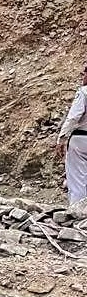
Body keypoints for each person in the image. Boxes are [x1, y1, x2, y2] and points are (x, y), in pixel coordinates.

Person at [58, 66, 87, 204]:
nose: (83, 76)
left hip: (81, 139)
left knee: (77, 179)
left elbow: (73, 118)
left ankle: (78, 214)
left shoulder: (84, 92)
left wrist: (61, 139)